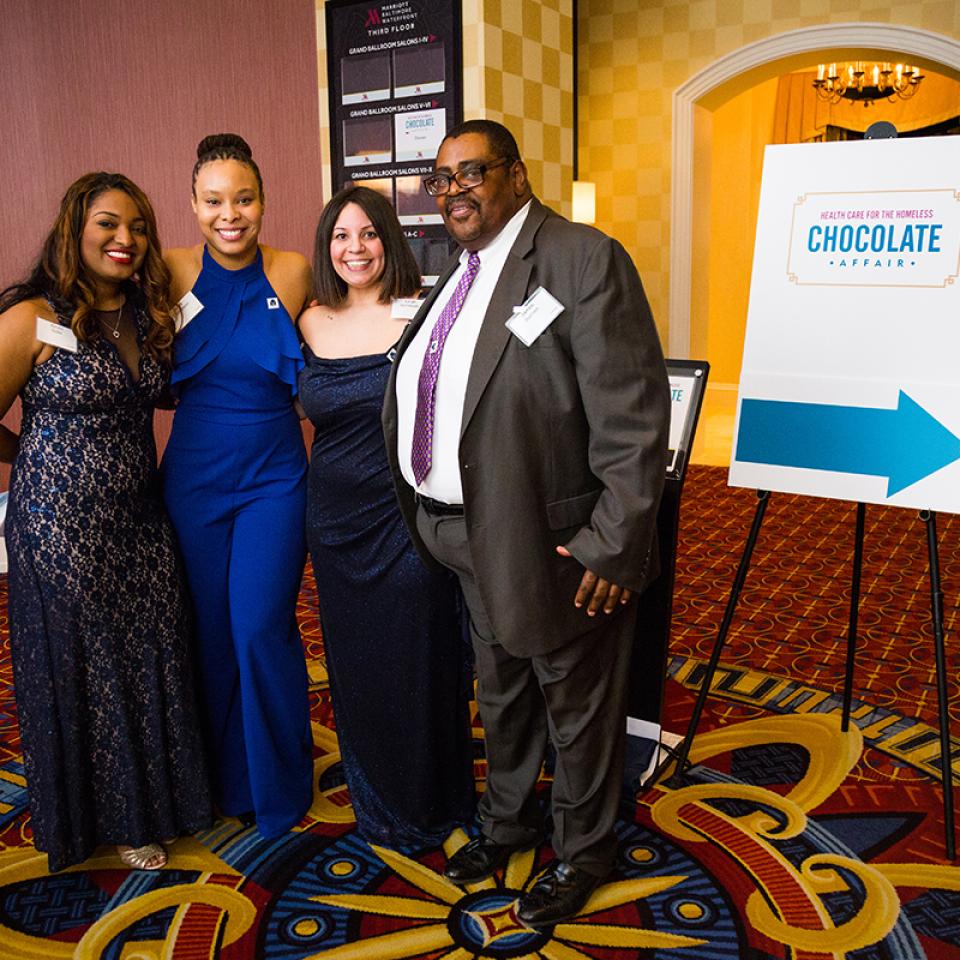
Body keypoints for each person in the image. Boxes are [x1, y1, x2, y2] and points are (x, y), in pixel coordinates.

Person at [383, 120, 670, 926]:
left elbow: (633, 420)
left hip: (556, 545)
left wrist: (612, 548)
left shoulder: (582, 259)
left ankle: (584, 852)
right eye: (441, 179)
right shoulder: (460, 272)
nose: (454, 192)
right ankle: (508, 823)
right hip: (467, 534)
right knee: (503, 692)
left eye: (471, 173)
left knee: (576, 709)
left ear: (516, 175)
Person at [0, 172, 212, 871]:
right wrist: (31, 455)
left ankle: (161, 800)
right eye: (108, 224)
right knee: (89, 664)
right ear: (75, 229)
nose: (126, 239)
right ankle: (113, 817)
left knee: (153, 649)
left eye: (139, 227)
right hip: (58, 524)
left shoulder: (150, 314)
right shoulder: (33, 316)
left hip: (142, 518)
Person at [298, 185, 474, 847]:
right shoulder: (308, 321)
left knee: (422, 654)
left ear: (389, 240)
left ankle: (436, 798)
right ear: (326, 247)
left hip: (405, 512)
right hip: (334, 522)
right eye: (341, 236)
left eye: (369, 233)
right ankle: (377, 799)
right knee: (357, 663)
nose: (356, 248)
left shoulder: (423, 311)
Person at [161, 134, 314, 838]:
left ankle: (276, 785)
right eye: (215, 201)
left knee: (259, 627)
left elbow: (337, 340)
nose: (231, 215)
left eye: (244, 199)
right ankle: (219, 781)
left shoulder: (293, 270)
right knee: (210, 632)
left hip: (274, 478)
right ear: (193, 204)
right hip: (193, 478)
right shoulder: (168, 270)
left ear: (263, 201)